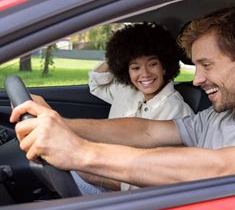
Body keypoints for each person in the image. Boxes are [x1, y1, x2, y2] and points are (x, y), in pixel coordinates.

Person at [11, 5, 235, 191]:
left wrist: (81, 153)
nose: (198, 79)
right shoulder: (215, 117)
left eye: (206, 65)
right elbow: (146, 131)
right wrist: (63, 124)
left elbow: (222, 168)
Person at [74, 22, 193, 192]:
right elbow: (96, 83)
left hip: (129, 188)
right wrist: (117, 57)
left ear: (165, 66)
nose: (144, 74)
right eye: (135, 67)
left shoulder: (177, 110)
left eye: (152, 64)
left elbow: (165, 173)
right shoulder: (126, 91)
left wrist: (100, 174)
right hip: (103, 165)